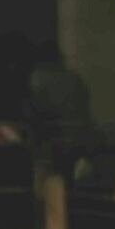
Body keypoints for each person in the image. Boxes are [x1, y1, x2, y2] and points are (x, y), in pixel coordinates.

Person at [26, 41, 92, 186]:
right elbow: (84, 108)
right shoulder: (75, 78)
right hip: (77, 138)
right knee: (69, 178)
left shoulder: (37, 79)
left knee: (46, 179)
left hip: (50, 139)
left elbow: (34, 111)